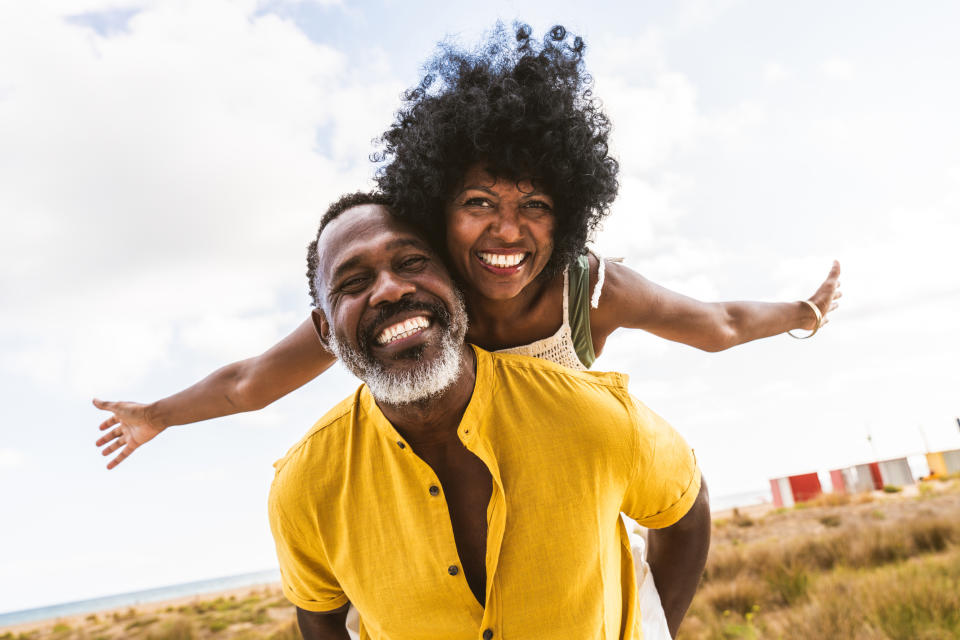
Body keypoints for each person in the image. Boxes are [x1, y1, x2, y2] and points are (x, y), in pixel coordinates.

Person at [93, 23, 839, 639]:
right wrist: (156, 414)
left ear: (568, 212)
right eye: (480, 201)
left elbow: (718, 324)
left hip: (563, 510)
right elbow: (250, 382)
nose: (506, 230)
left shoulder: (586, 287)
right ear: (436, 207)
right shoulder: (406, 302)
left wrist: (801, 314)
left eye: (536, 204)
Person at [270, 196, 710, 639]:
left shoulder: (594, 416)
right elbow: (318, 614)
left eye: (412, 261)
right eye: (353, 281)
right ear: (326, 329)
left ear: (457, 283)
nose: (389, 289)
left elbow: (687, 509)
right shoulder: (304, 486)